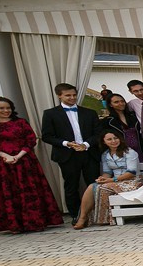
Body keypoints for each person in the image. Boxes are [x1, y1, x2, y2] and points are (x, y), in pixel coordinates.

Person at [0, 96, 63, 234]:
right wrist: (4, 155)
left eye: (8, 108)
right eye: (1, 108)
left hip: (24, 161)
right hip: (1, 163)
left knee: (29, 189)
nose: (6, 110)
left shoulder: (21, 122)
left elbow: (31, 140)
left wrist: (19, 155)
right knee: (8, 191)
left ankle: (34, 222)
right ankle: (14, 225)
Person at [40, 82, 99, 220]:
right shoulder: (50, 114)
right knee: (71, 186)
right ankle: (76, 215)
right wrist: (67, 143)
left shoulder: (89, 112)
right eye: (68, 95)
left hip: (89, 153)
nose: (72, 98)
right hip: (67, 155)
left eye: (74, 95)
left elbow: (98, 133)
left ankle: (98, 213)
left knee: (94, 184)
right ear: (59, 96)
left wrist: (85, 144)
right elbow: (47, 136)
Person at [72, 131, 142, 229]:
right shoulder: (105, 154)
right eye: (109, 139)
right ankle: (82, 218)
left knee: (103, 188)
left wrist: (111, 180)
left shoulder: (129, 152)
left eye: (115, 138)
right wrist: (103, 178)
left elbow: (131, 173)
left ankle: (104, 219)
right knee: (92, 186)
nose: (114, 141)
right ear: (104, 142)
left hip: (132, 182)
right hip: (115, 182)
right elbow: (107, 172)